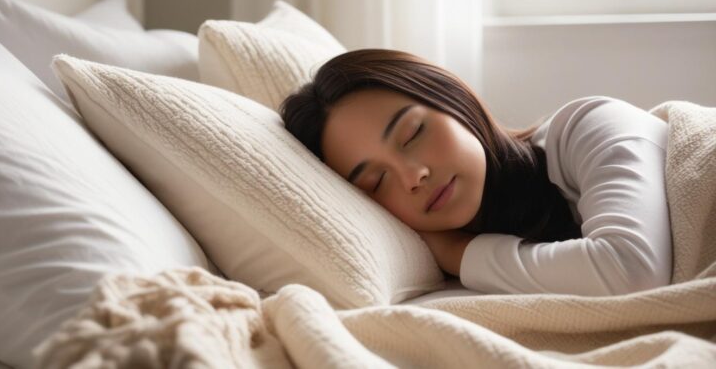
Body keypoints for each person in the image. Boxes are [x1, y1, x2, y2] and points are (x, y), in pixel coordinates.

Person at [280, 49, 672, 296]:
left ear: (454, 101)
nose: (412, 176)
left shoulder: (587, 126)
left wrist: (457, 253)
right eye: (376, 182)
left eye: (413, 132)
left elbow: (632, 271)